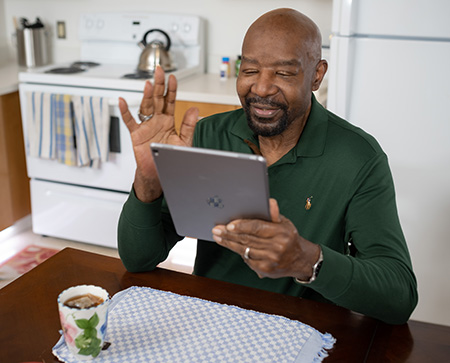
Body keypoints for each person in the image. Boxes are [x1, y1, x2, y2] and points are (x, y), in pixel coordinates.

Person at [117, 8, 418, 325]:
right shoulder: (207, 134)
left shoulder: (359, 157)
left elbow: (399, 297)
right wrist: (149, 181)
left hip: (306, 331)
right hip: (209, 320)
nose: (261, 88)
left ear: (317, 74)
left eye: (284, 73)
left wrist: (307, 260)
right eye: (249, 71)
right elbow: (139, 259)